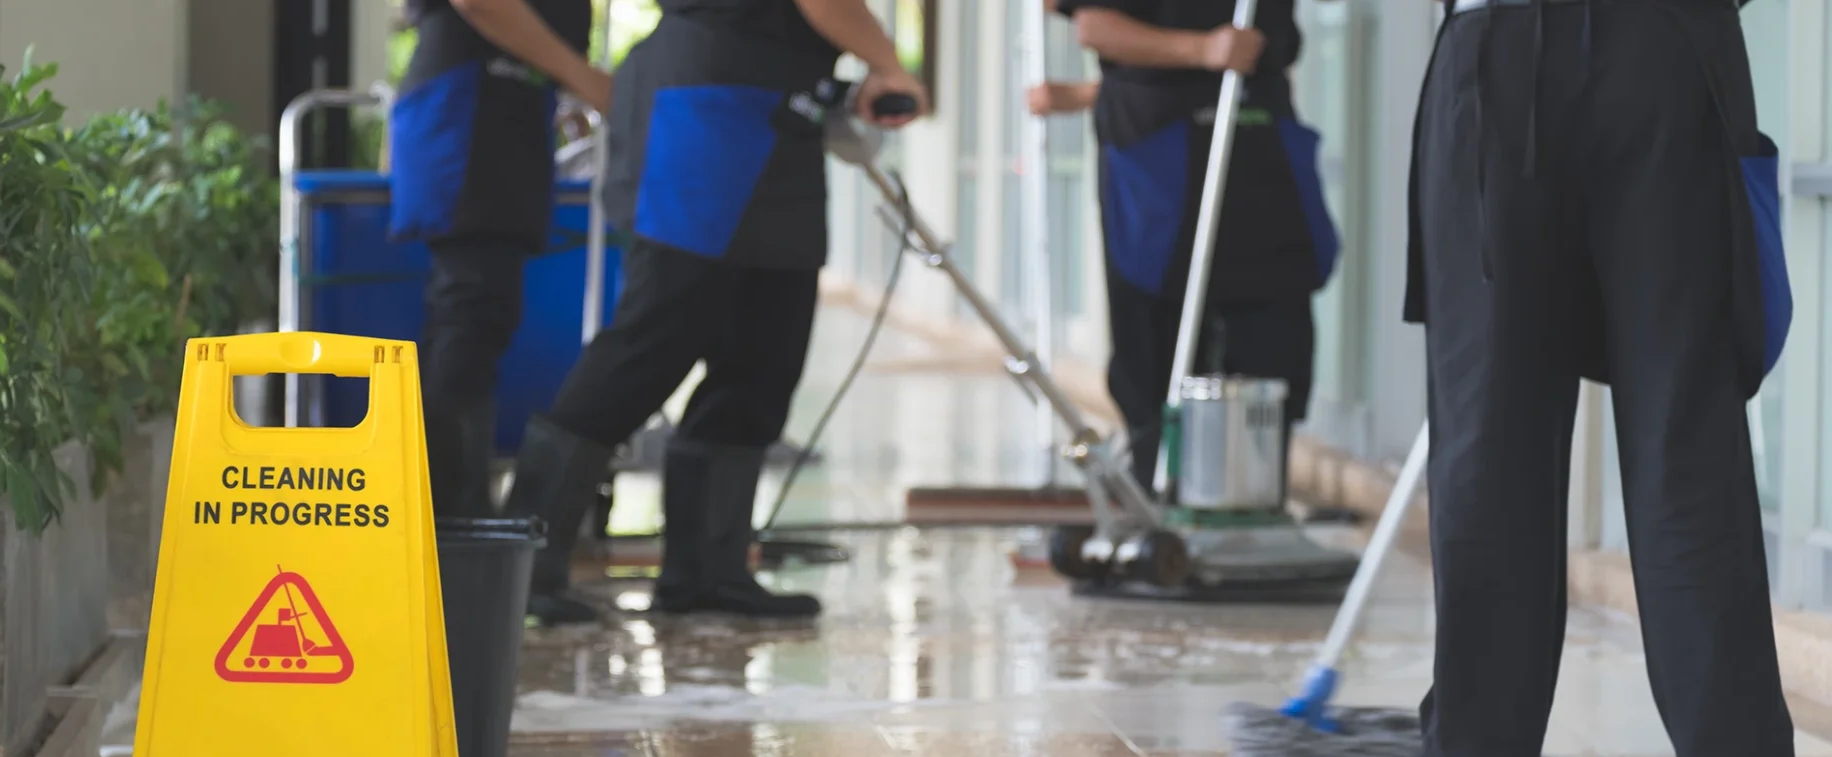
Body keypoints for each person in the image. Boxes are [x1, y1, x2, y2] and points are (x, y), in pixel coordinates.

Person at [1405, 0, 1832, 757]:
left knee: (1492, 424)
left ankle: (1478, 745)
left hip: (1497, 51)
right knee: (1684, 418)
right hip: (1667, 52)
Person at [504, 0, 928, 624]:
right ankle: (521, 568)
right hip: (707, 109)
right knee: (652, 344)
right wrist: (889, 64)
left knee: (766, 348)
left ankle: (708, 573)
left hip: (772, 112)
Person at [1030, 0, 1339, 495]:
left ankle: (1256, 496)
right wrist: (1202, 49)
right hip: (1159, 147)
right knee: (1158, 317)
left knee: (1277, 313)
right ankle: (1157, 490)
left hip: (1259, 135)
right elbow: (1094, 25)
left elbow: (1276, 43)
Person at [388, 0, 614, 517]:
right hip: (467, 115)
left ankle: (454, 510)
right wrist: (586, 79)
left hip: (501, 117)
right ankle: (450, 519)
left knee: (477, 319)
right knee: (470, 314)